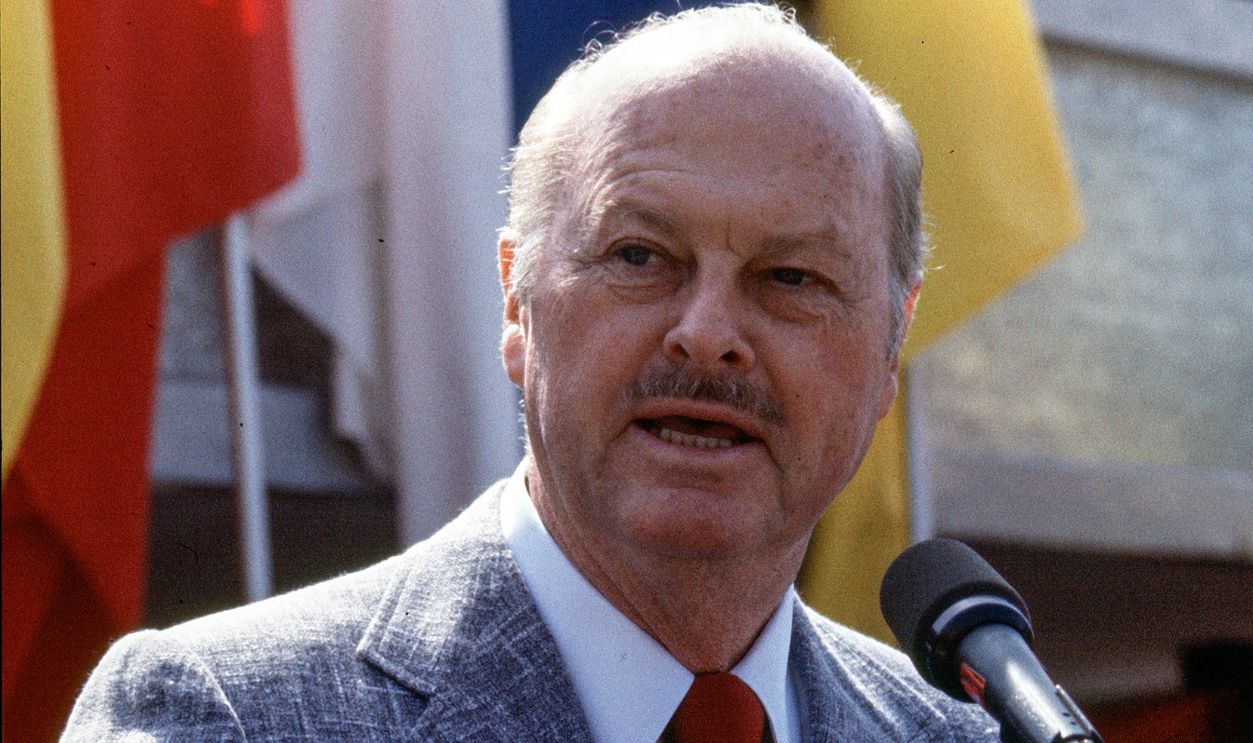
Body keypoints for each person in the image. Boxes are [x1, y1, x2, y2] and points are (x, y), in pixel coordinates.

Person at [62, 5, 999, 741]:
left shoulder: (957, 733)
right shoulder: (225, 718)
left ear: (888, 349)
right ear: (516, 302)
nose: (707, 335)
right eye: (639, 256)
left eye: (790, 277)